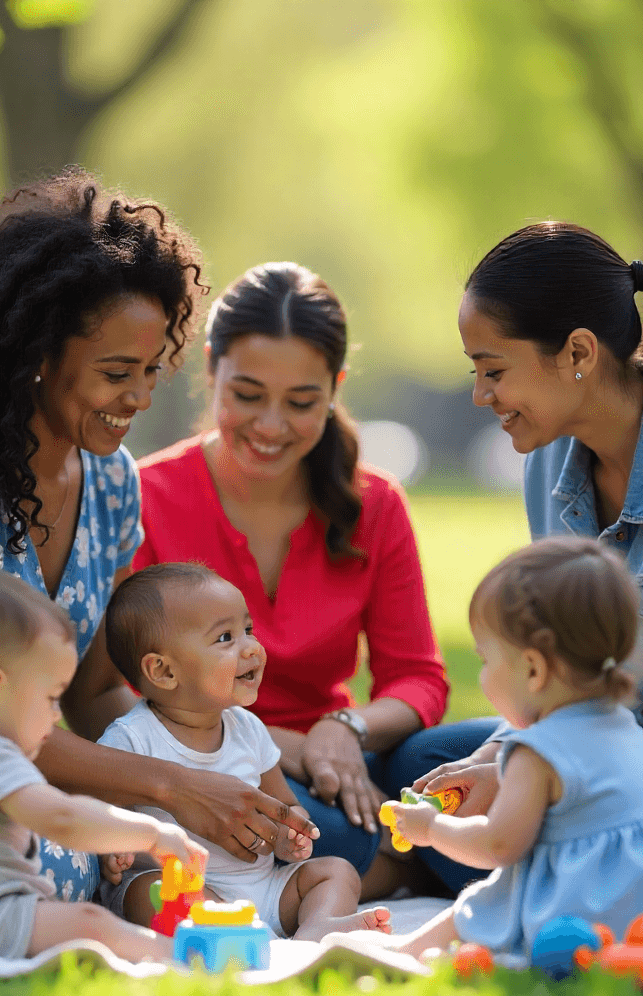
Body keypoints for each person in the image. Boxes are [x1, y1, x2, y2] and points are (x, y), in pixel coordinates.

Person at [0, 169, 314, 903]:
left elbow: (94, 692)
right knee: (52, 851)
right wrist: (169, 785)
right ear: (35, 356)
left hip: (19, 780)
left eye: (154, 371)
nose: (139, 397)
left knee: (123, 848)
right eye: (117, 372)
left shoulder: (112, 481)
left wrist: (204, 762)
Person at [399, 221, 643, 889]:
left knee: (533, 826)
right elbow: (562, 675)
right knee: (427, 757)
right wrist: (506, 754)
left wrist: (541, 770)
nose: (480, 396)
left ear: (578, 351)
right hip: (603, 741)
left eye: (494, 370)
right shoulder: (549, 459)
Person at [132, 262, 450, 898]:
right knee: (325, 831)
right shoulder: (145, 497)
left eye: (302, 403)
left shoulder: (375, 505)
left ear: (334, 388)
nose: (272, 426)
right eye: (248, 395)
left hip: (343, 756)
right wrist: (286, 746)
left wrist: (344, 731)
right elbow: (127, 688)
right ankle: (437, 860)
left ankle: (430, 854)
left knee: (478, 760)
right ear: (210, 371)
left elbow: (417, 677)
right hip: (212, 756)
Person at [368, 538, 643, 961]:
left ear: (533, 668)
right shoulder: (622, 724)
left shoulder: (535, 752)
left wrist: (430, 828)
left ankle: (404, 952)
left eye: (486, 661)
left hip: (592, 911)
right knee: (501, 890)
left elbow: (498, 846)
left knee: (497, 892)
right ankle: (408, 948)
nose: (483, 676)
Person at [0, 567, 208, 961]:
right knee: (88, 923)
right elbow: (63, 820)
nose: (56, 713)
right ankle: (175, 957)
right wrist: (151, 834)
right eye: (49, 698)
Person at [96, 562, 392, 941]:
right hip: (188, 888)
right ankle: (227, 932)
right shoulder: (132, 740)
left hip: (265, 888)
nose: (251, 647)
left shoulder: (247, 729)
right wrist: (116, 848)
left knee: (337, 871)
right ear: (164, 672)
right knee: (146, 891)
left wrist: (290, 832)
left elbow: (283, 802)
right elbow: (100, 814)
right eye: (225, 638)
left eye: (247, 630)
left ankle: (317, 928)